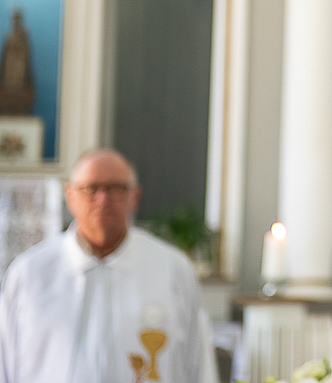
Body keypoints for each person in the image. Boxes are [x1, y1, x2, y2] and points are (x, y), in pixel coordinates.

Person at [0, 148, 218, 383]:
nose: (103, 199)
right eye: (90, 188)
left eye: (116, 188)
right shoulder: (30, 273)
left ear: (135, 196)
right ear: (70, 195)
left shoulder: (172, 270)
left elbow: (199, 365)